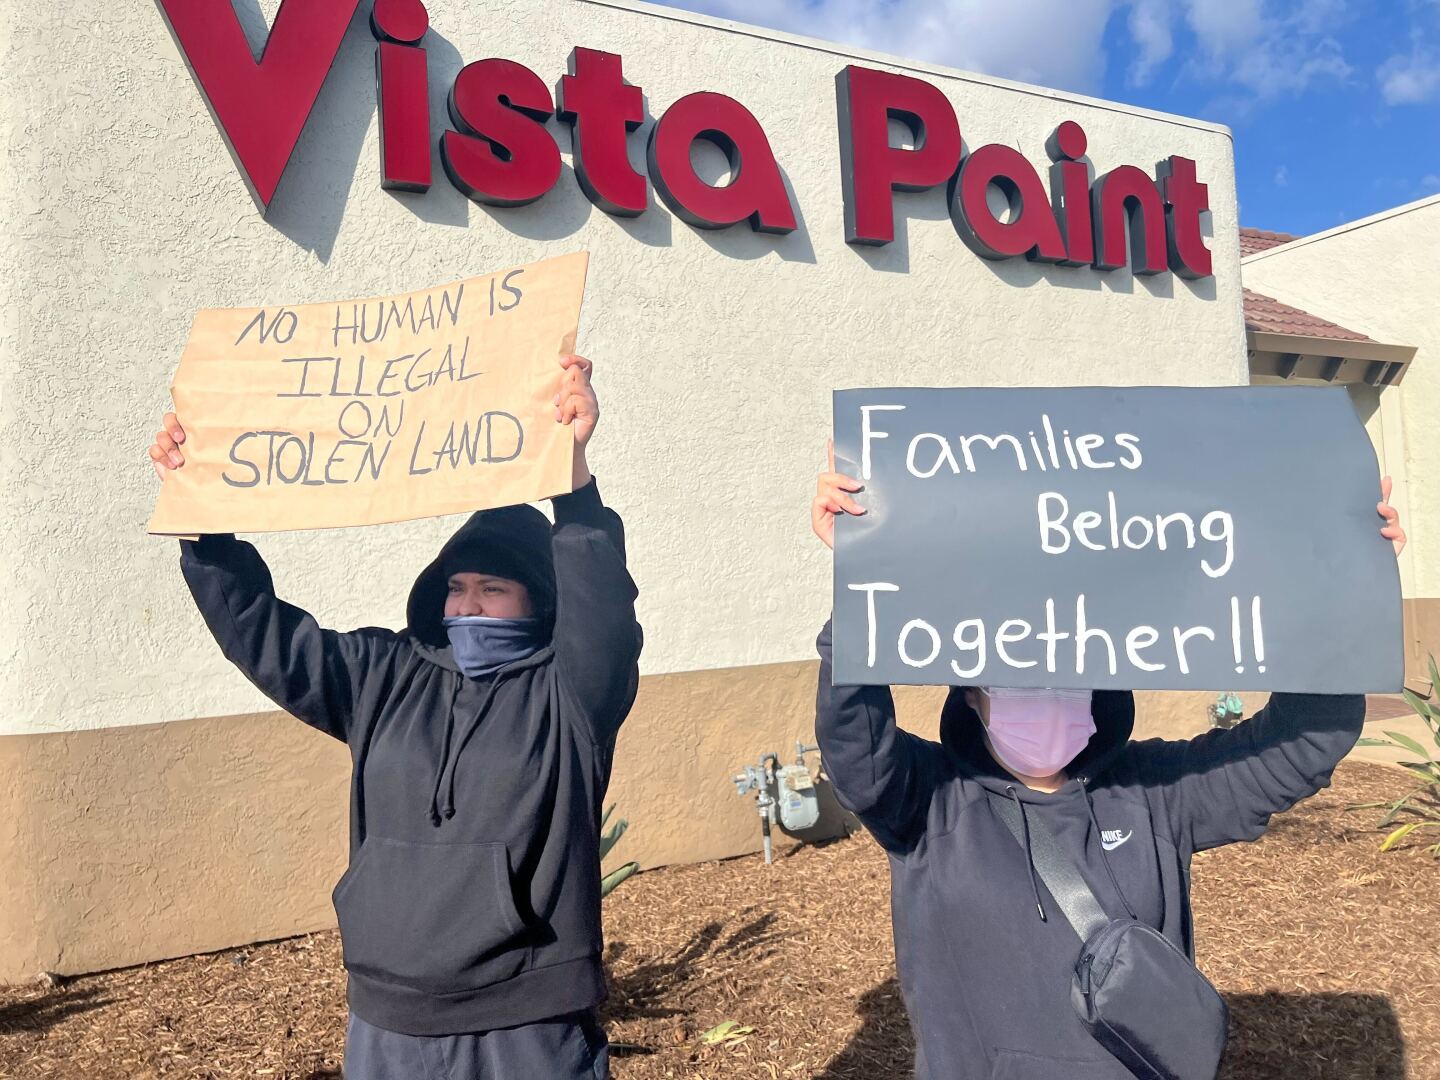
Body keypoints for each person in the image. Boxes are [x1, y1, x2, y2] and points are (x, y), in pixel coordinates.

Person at [810, 451, 1406, 1080]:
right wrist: (862, 575)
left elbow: (1301, 744)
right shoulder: (929, 801)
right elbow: (855, 742)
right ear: (970, 689)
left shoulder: (1154, 792)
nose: (1043, 692)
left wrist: (1343, 592)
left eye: (1065, 675)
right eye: (1016, 673)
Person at [149, 355, 640, 1080]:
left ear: (539, 600)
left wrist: (573, 486)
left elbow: (604, 616)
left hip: (524, 1021)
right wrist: (204, 525)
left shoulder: (570, 694)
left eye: (494, 589)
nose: (467, 605)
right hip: (388, 1020)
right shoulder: (385, 672)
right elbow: (265, 638)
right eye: (457, 587)